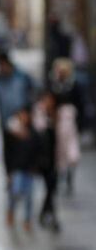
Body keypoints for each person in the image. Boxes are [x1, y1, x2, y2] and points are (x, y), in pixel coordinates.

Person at [0, 52, 35, 177]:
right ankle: (11, 178)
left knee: (24, 152)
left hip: (22, 122)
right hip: (6, 124)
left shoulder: (22, 77)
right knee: (8, 154)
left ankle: (23, 179)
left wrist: (28, 113)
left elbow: (34, 93)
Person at [50, 58, 83, 194]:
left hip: (70, 123)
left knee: (71, 151)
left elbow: (80, 104)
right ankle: (58, 177)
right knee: (58, 152)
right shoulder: (54, 85)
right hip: (58, 122)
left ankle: (69, 176)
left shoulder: (73, 86)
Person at [6, 107, 40, 231]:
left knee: (29, 198)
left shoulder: (34, 133)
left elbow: (38, 151)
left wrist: (35, 166)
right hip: (17, 169)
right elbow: (8, 153)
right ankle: (11, 211)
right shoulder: (13, 133)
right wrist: (9, 171)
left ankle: (27, 220)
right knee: (15, 193)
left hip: (29, 170)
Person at [33, 92, 61, 232]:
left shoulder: (59, 114)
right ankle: (51, 216)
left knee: (52, 187)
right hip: (43, 159)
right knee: (50, 186)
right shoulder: (39, 114)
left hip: (56, 157)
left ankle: (45, 214)